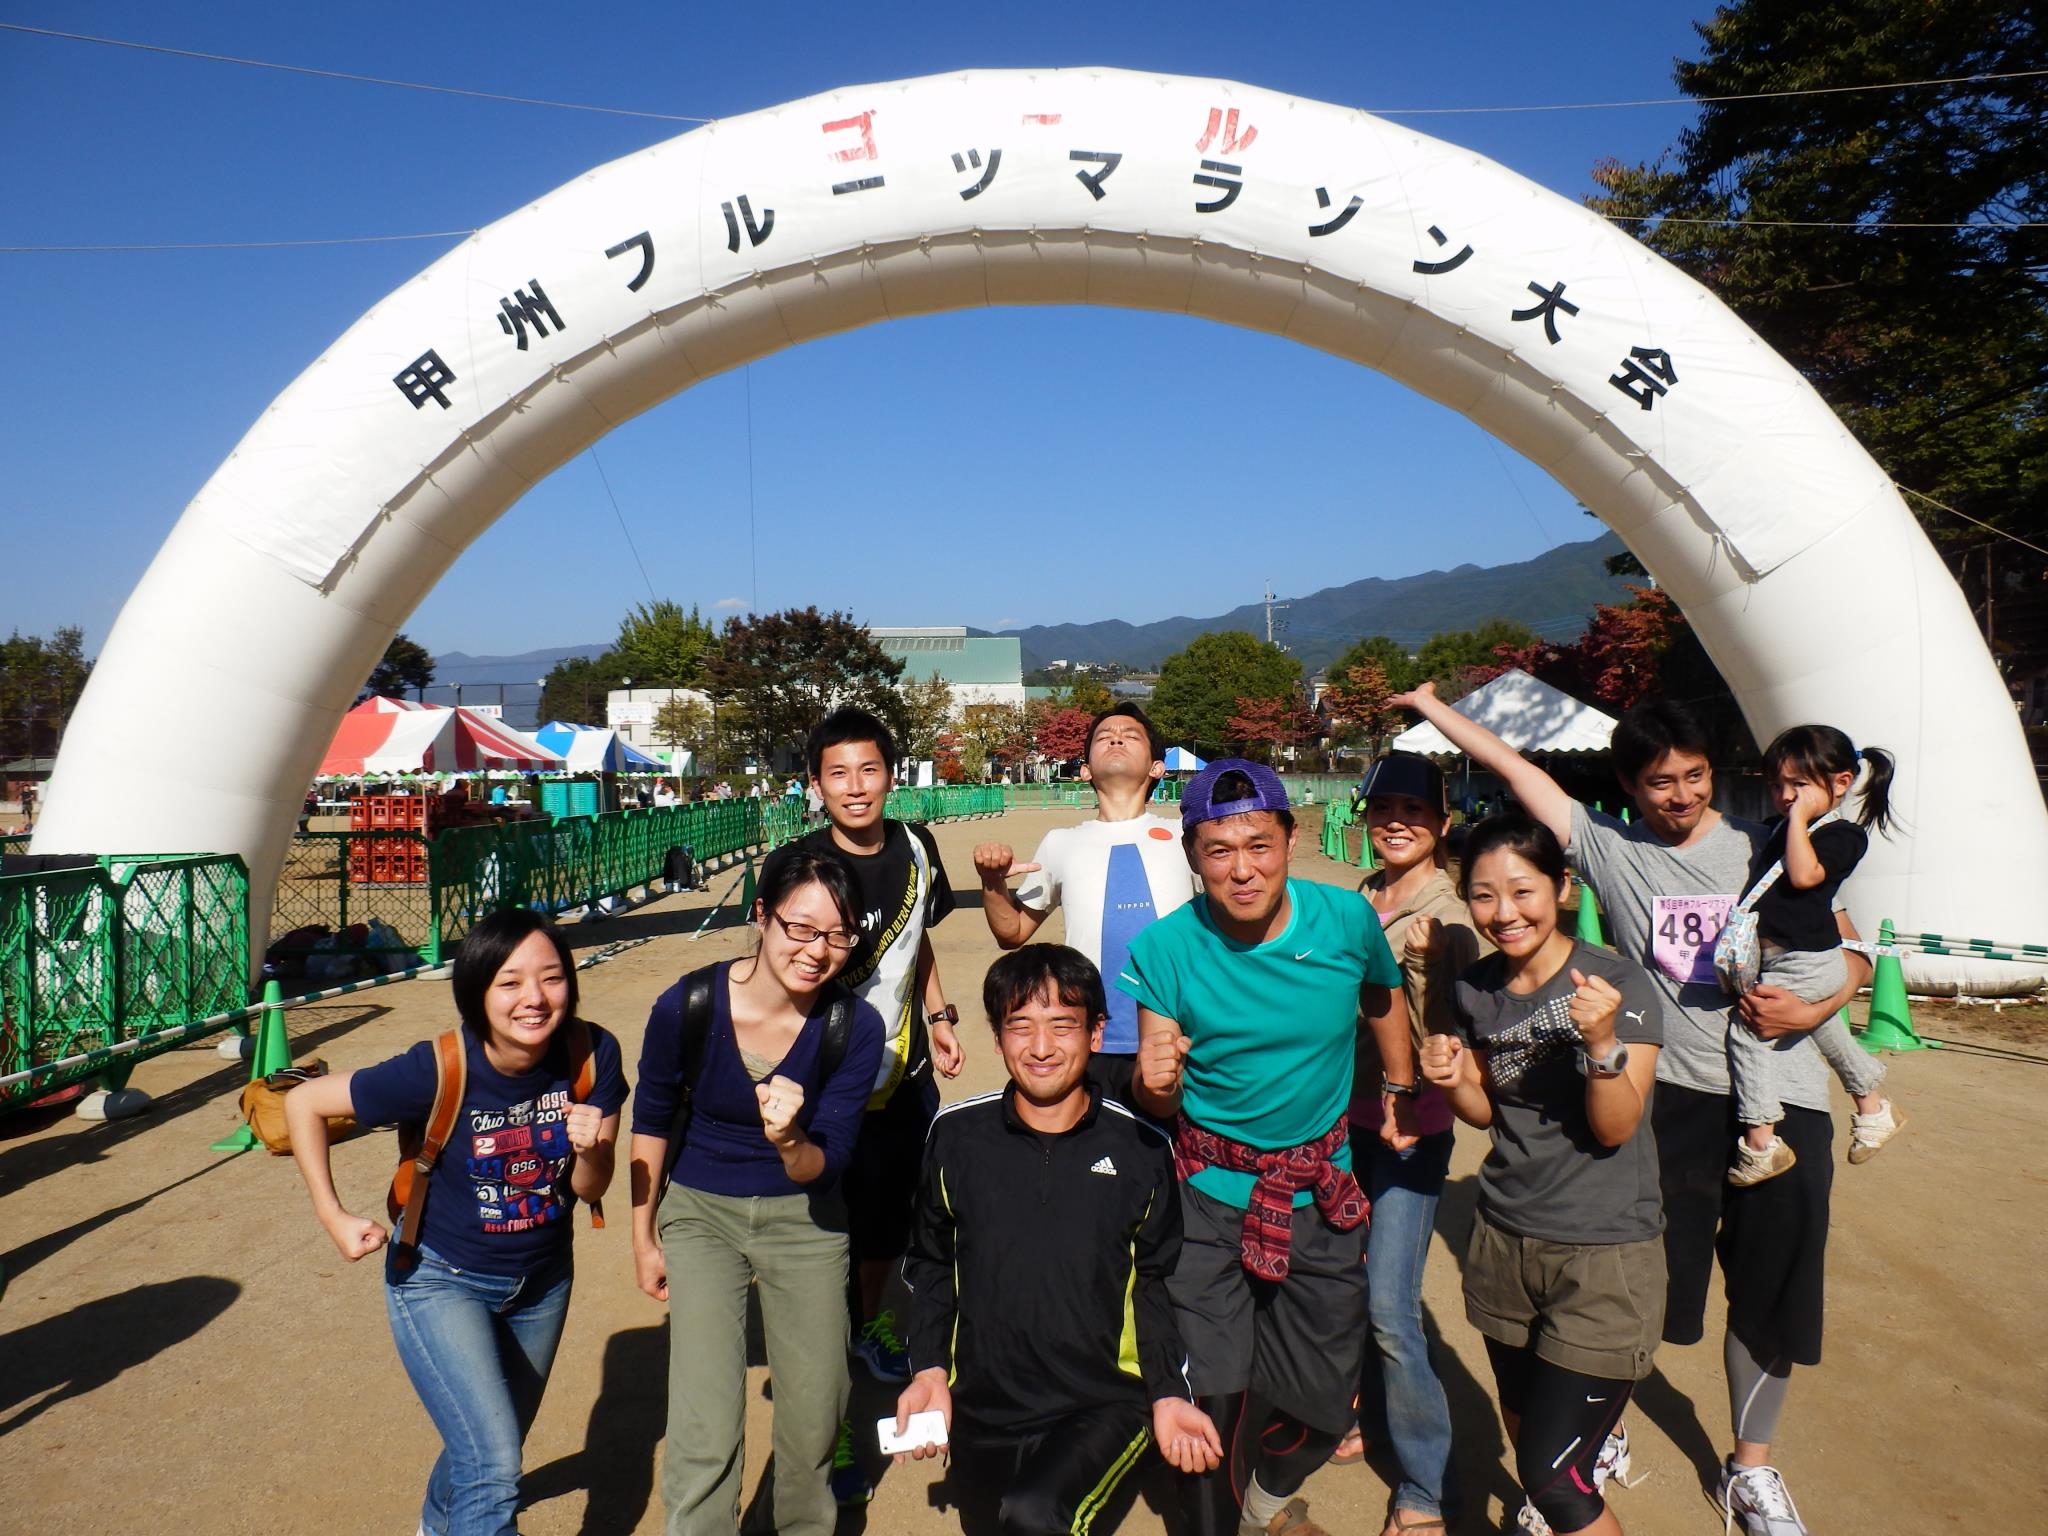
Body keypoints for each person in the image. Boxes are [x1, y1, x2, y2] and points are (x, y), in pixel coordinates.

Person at [1392, 682, 1869, 1536]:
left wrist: (1820, 1003)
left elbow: (1855, 947)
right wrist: (1433, 708)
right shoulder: (1612, 851)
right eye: (1659, 782)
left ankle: (1749, 1468)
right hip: (1671, 1094)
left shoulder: (1768, 841)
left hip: (1783, 1092)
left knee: (1768, 1292)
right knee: (1645, 1296)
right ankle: (1588, 1438)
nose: (1680, 796)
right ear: (1629, 785)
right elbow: (1517, 771)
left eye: (1694, 776)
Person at [1122, 759, 1415, 1536]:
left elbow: (1381, 992)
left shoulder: (1345, 921)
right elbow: (1158, 1088)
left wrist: (1398, 1082)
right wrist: (1155, 1081)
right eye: (1219, 850)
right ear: (1193, 856)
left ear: (1290, 839)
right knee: (1214, 1404)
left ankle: (1263, 1505)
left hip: (1321, 1192)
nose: (1242, 868)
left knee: (1325, 1410)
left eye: (1259, 844)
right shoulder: (1165, 948)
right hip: (1208, 1199)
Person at [282, 910, 627, 1536]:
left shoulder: (592, 1053)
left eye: (552, 977)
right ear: (476, 992)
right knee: (493, 1464)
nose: (534, 998)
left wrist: (591, 1150)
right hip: (439, 1278)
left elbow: (590, 1188)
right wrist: (332, 1215)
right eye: (509, 982)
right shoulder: (439, 1067)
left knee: (487, 1446)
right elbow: (304, 1101)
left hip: (543, 1281)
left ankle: (437, 1526)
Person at [892, 945, 1223, 1535]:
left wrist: (1169, 1393)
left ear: (1096, 1033)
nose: (1041, 1048)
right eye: (1020, 1026)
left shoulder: (1142, 1148)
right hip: (983, 1407)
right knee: (997, 1522)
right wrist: (930, 1371)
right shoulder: (956, 1137)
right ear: (997, 1038)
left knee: (1036, 1514)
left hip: (1101, 1402)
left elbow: (1154, 1282)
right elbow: (932, 1265)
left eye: (1062, 1026)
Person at [1421, 811, 1666, 1536]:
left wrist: (1601, 1041)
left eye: (1522, 891)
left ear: (1562, 887)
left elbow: (1615, 1126)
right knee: (1526, 1420)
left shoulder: (1617, 982)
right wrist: (1452, 1079)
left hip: (1602, 1250)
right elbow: (1485, 1112)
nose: (1504, 912)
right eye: (1483, 895)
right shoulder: (1475, 989)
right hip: (1504, 1236)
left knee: (1556, 1481)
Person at [627, 850, 885, 1536]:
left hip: (806, 1219)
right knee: (705, 1416)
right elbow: (652, 1119)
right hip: (700, 1212)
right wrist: (643, 1237)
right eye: (801, 928)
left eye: (838, 935)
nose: (817, 950)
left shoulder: (853, 1027)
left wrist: (790, 1138)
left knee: (816, 1411)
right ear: (762, 915)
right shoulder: (688, 1004)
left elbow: (826, 1164)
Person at [757, 706, 961, 1500]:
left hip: (901, 1078)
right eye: (837, 773)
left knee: (888, 1226)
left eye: (868, 769)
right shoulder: (796, 863)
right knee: (819, 1244)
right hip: (818, 1086)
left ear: (891, 775)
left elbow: (919, 943)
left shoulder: (917, 848)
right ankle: (828, 1414)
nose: (855, 786)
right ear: (815, 784)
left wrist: (940, 1017)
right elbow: (769, 963)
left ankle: (871, 1323)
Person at [1330, 751, 1489, 1536]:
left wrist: (1427, 967)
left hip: (1408, 1131)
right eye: (1384, 808)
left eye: (1415, 810)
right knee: (1345, 1282)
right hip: (1342, 1122)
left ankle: (1426, 1487)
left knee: (1392, 1306)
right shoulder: (1363, 896)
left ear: (1442, 823)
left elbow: (1448, 1039)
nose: (1397, 822)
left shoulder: (1448, 916)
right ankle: (1361, 1412)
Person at [974, 703, 1196, 1099]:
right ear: (1085, 770)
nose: (1116, 738)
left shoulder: (1187, 835)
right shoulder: (1061, 842)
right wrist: (992, 883)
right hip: (1089, 1040)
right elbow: (1012, 932)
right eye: (1104, 736)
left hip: (1178, 1039)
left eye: (1130, 735)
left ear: (1157, 768)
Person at [1726, 724, 1903, 1185]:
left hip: (1807, 958)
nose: (1786, 796)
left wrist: (1799, 820)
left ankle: (1761, 1143)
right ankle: (1874, 1108)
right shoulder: (1781, 828)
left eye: (1799, 785)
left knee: (1748, 1033)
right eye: (1776, 785)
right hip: (1787, 959)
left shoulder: (1844, 835)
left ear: (1841, 783)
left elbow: (1805, 876)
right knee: (1824, 1027)